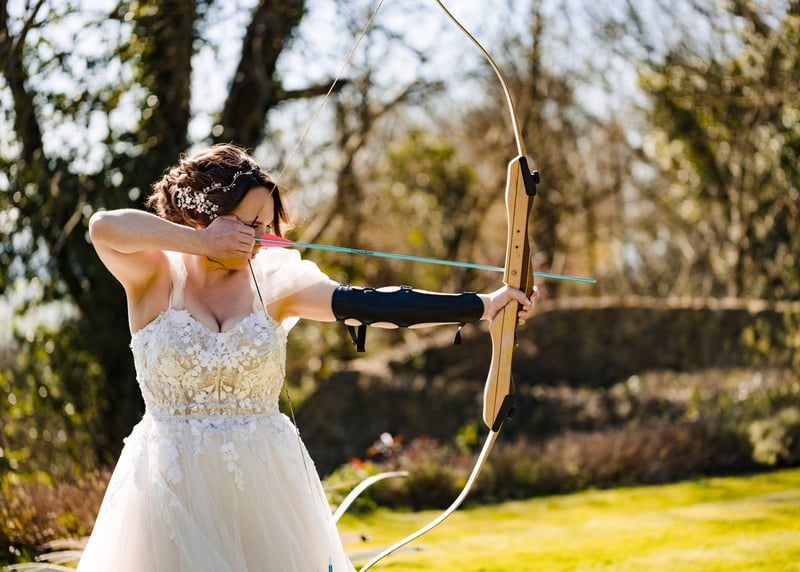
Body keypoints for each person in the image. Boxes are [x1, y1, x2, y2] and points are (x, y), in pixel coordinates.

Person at [79, 142, 535, 571]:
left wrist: (482, 306)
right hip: (168, 483)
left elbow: (370, 305)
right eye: (249, 224)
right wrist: (202, 244)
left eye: (266, 226)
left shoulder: (276, 281)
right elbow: (103, 227)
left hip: (264, 485)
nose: (261, 239)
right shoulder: (154, 274)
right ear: (209, 216)